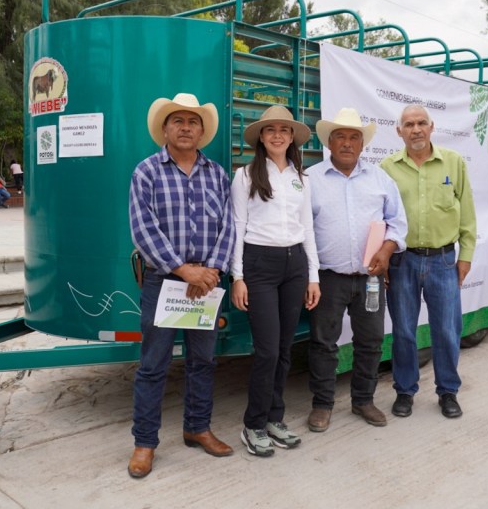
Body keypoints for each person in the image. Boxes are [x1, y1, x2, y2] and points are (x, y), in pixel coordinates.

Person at [127, 92, 236, 478]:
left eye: (193, 122)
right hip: (164, 282)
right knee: (153, 365)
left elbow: (229, 226)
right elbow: (142, 228)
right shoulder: (146, 172)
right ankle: (145, 443)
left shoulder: (217, 174)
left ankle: (197, 428)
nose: (186, 128)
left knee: (203, 361)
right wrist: (183, 270)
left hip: (207, 284)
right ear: (165, 129)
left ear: (202, 131)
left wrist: (212, 270)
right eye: (178, 121)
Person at [305, 107, 407, 432]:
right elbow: (301, 229)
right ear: (329, 142)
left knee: (371, 340)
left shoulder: (380, 179)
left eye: (354, 137)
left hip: (370, 279)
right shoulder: (310, 180)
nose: (347, 143)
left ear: (362, 144)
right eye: (340, 137)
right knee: (323, 342)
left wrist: (387, 250)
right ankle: (322, 404)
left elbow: (398, 223)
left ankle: (363, 400)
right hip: (327, 278)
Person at [230, 105, 321, 457]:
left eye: (284, 129)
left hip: (294, 264)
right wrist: (238, 276)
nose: (278, 135)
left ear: (292, 137)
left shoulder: (302, 178)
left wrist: (313, 275)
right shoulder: (245, 176)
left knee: (284, 349)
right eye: (271, 130)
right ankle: (253, 424)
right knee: (267, 350)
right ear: (261, 137)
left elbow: (307, 227)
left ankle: (274, 419)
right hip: (259, 265)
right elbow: (238, 226)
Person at [380, 104, 477, 420]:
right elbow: (379, 218)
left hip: (443, 261)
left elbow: (468, 213)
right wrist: (382, 260)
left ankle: (447, 391)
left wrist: (465, 256)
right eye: (409, 124)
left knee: (447, 330)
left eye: (421, 123)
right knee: (404, 331)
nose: (416, 129)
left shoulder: (453, 162)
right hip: (402, 262)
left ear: (432, 127)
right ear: (399, 131)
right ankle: (405, 391)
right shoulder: (387, 168)